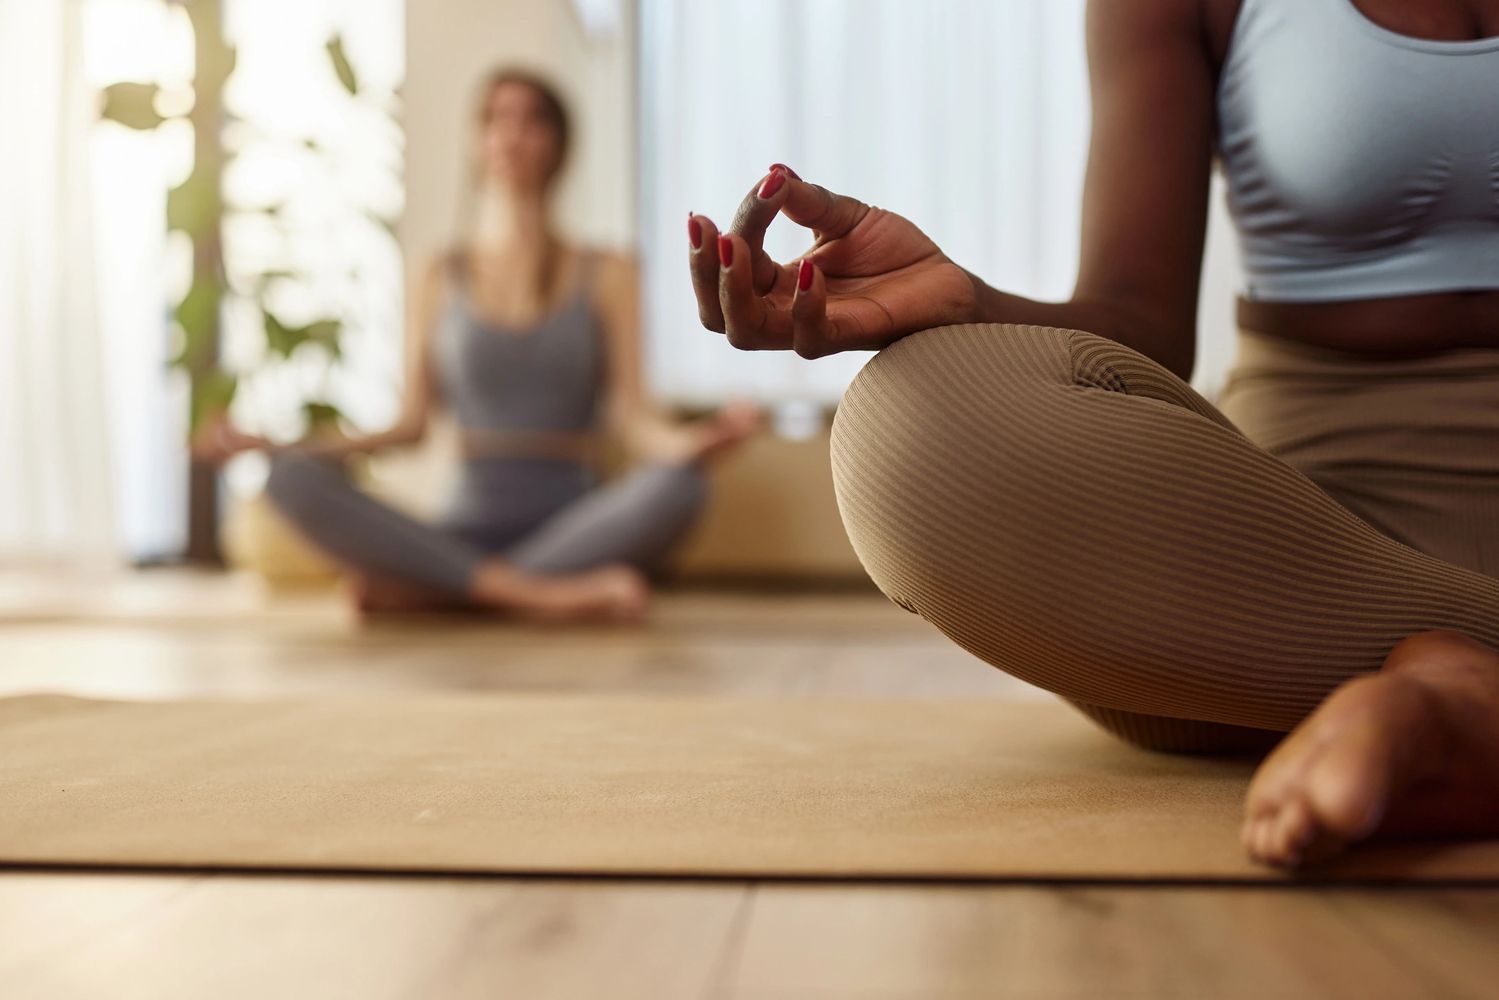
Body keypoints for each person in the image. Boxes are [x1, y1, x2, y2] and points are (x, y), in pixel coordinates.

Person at [686, 0, 1499, 869]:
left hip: (1298, 647)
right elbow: (1140, 320)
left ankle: (1463, 697)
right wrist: (967, 305)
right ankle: (1435, 674)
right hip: (1299, 562)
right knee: (913, 429)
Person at [200, 68, 760, 622]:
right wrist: (277, 444)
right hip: (462, 526)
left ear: (559, 146)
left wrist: (695, 443)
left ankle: (443, 593)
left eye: (531, 120)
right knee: (289, 478)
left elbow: (631, 416)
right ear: (478, 141)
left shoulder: (610, 272)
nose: (512, 134)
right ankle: (533, 595)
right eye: (496, 118)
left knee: (681, 488)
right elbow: (409, 425)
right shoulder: (440, 273)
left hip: (575, 526)